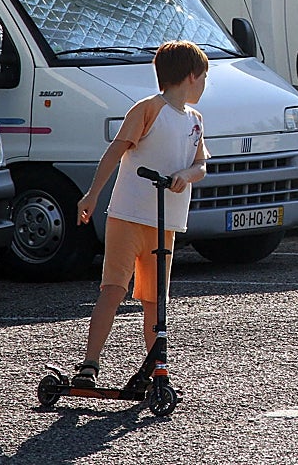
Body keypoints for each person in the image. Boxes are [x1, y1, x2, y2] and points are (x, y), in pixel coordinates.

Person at [70, 40, 210, 387]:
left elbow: (201, 164)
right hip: (128, 215)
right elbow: (116, 151)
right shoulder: (148, 109)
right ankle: (89, 364)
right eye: (204, 77)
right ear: (192, 76)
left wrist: (186, 175)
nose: (205, 85)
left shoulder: (195, 120)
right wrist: (92, 194)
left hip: (165, 223)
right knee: (113, 289)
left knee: (155, 300)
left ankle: (157, 369)